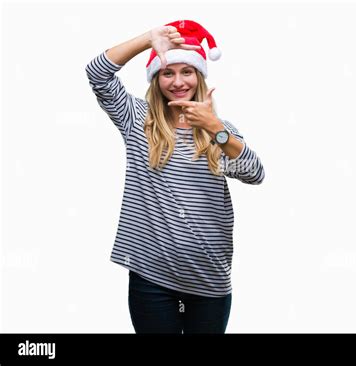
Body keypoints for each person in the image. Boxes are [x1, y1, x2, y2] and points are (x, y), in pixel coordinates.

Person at [85, 20, 265, 334]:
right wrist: (148, 39)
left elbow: (254, 174)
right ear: (156, 79)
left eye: (187, 72)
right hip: (151, 275)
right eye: (168, 72)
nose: (178, 81)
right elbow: (97, 73)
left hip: (209, 278)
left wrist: (215, 129)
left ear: (199, 77)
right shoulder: (137, 119)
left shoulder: (218, 129)